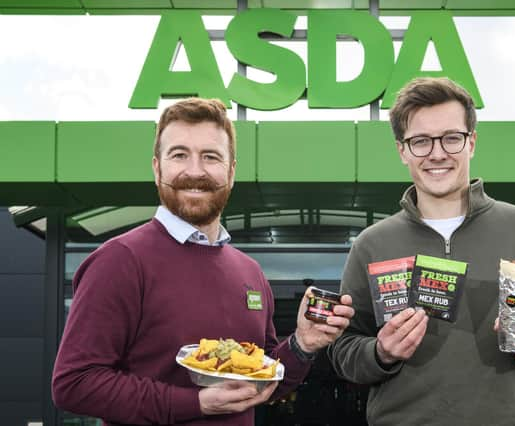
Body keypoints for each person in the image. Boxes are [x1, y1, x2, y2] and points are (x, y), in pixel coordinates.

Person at [52, 98, 354, 426]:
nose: (195, 171)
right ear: (157, 168)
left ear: (231, 170)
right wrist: (196, 403)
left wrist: (302, 344)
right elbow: (75, 384)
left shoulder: (249, 272)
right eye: (179, 155)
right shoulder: (120, 260)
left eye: (210, 157)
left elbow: (262, 380)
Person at [327, 77, 515, 426]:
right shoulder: (372, 244)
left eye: (451, 138)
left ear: (472, 142)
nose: (437, 153)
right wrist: (380, 352)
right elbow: (343, 347)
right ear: (402, 150)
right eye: (420, 141)